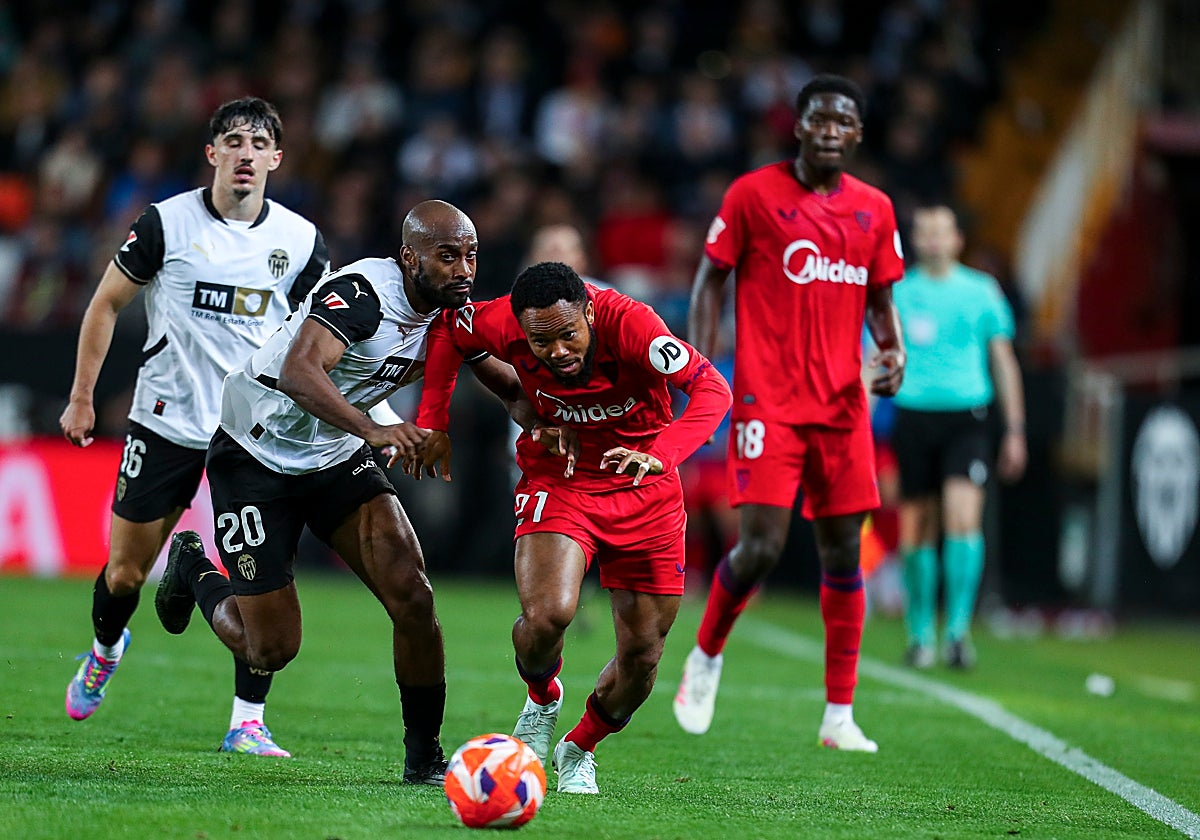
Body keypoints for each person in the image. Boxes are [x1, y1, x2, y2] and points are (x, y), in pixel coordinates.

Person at [156, 200, 525, 784]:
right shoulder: (363, 294)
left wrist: (564, 424)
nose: (464, 270)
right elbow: (298, 371)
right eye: (448, 256)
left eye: (471, 256)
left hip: (331, 456)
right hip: (256, 453)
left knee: (414, 595)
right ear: (410, 258)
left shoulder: (454, 315)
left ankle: (424, 758)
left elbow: (510, 389)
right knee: (269, 650)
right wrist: (374, 428)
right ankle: (195, 569)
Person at [60, 97, 329, 756]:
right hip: (166, 423)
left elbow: (325, 335)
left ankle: (247, 721)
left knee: (260, 577)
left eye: (257, 143)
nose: (244, 152)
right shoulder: (166, 224)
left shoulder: (299, 242)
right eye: (231, 140)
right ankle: (104, 648)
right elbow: (105, 305)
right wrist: (82, 398)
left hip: (251, 433)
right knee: (125, 572)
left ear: (275, 159)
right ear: (212, 154)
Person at [411, 261, 731, 793]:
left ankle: (579, 746)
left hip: (644, 486)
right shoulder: (503, 322)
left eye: (568, 335)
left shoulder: (634, 326)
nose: (557, 351)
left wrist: (663, 455)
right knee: (546, 617)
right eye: (541, 342)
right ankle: (542, 700)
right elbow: (449, 329)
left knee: (643, 654)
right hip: (559, 478)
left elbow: (712, 389)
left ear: (588, 311)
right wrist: (434, 420)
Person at [672, 73, 907, 752]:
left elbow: (881, 297)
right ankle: (707, 655)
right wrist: (700, 360)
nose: (831, 131)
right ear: (799, 126)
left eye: (843, 122)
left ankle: (838, 715)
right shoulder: (752, 195)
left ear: (857, 134)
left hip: (842, 405)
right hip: (768, 401)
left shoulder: (876, 209)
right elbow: (710, 277)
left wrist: (894, 351)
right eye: (819, 120)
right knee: (762, 548)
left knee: (844, 555)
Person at [891, 204, 1026, 670]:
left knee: (962, 518)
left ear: (956, 240)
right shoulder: (898, 293)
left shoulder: (981, 291)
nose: (931, 240)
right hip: (912, 415)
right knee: (917, 527)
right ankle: (919, 631)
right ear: (914, 239)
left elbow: (1003, 360)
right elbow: (879, 357)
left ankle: (958, 631)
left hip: (968, 417)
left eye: (939, 232)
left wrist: (1014, 431)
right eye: (923, 232)